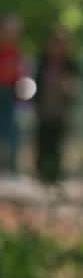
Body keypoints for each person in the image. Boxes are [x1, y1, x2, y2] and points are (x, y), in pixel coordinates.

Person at [34, 27, 80, 185]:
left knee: (57, 143)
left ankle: (55, 175)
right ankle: (40, 174)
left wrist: (70, 87)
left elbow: (76, 86)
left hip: (61, 110)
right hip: (44, 108)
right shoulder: (42, 62)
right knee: (42, 141)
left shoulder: (71, 65)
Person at [0, 14, 24, 174]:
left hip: (10, 93)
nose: (13, 34)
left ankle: (11, 167)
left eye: (16, 31)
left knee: (12, 130)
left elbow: (17, 75)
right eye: (9, 30)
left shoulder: (15, 52)